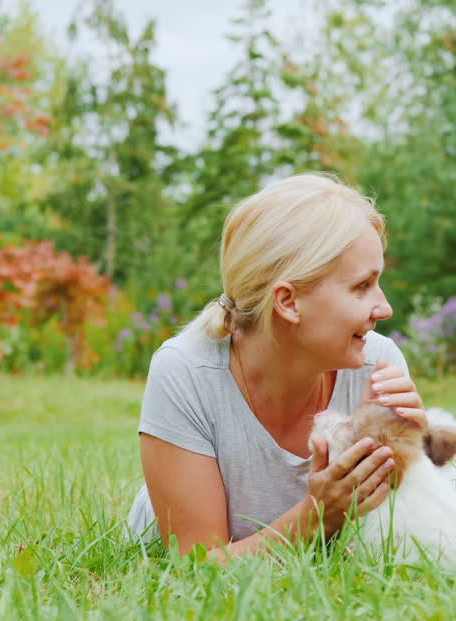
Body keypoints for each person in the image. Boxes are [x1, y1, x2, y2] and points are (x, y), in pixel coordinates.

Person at [126, 173, 424, 561]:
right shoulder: (186, 371)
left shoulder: (376, 363)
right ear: (288, 302)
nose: (384, 308)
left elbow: (397, 533)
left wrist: (410, 457)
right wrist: (315, 517)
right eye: (361, 287)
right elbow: (196, 565)